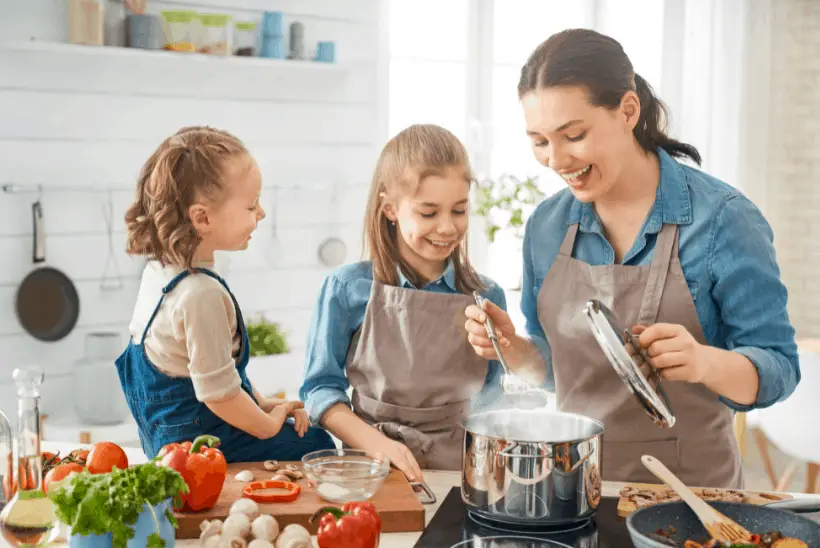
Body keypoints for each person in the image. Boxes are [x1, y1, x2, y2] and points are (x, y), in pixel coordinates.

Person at [464, 29, 800, 489]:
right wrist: (515, 350)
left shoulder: (723, 220)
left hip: (690, 498)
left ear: (627, 111)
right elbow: (557, 369)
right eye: (540, 141)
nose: (556, 160)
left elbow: (780, 369)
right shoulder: (547, 226)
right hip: (573, 488)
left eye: (574, 135)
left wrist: (703, 362)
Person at [299, 124, 508, 481]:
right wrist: (373, 442)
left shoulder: (487, 295)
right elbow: (319, 390)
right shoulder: (347, 288)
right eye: (429, 213)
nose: (447, 228)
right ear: (391, 209)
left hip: (462, 469)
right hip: (370, 466)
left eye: (458, 210)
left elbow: (492, 398)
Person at [116, 126, 335, 462]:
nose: (260, 213)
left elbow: (215, 370)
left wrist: (262, 404)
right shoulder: (200, 293)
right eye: (251, 206)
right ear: (202, 217)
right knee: (317, 444)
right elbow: (218, 395)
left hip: (162, 442)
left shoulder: (158, 273)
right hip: (200, 449)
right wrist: (269, 423)